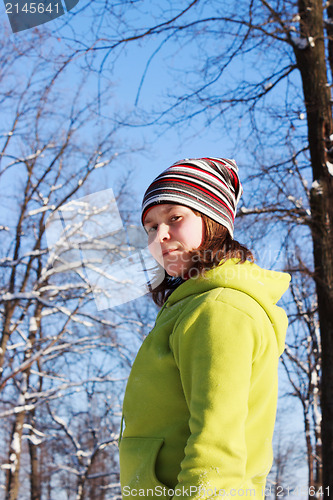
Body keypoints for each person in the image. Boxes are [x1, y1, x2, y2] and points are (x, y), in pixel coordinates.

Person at [118, 157, 290, 499]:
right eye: (151, 227)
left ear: (212, 220)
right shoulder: (195, 306)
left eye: (174, 218)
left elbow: (215, 454)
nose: (160, 235)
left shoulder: (218, 310)